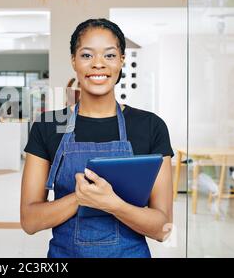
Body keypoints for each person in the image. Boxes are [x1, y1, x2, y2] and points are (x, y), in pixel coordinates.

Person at [21, 18, 174, 258]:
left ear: (121, 60)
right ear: (74, 61)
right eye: (87, 55)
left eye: (110, 56)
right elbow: (30, 221)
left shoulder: (150, 126)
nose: (98, 64)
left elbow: (163, 229)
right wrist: (80, 198)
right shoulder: (48, 126)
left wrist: (113, 204)